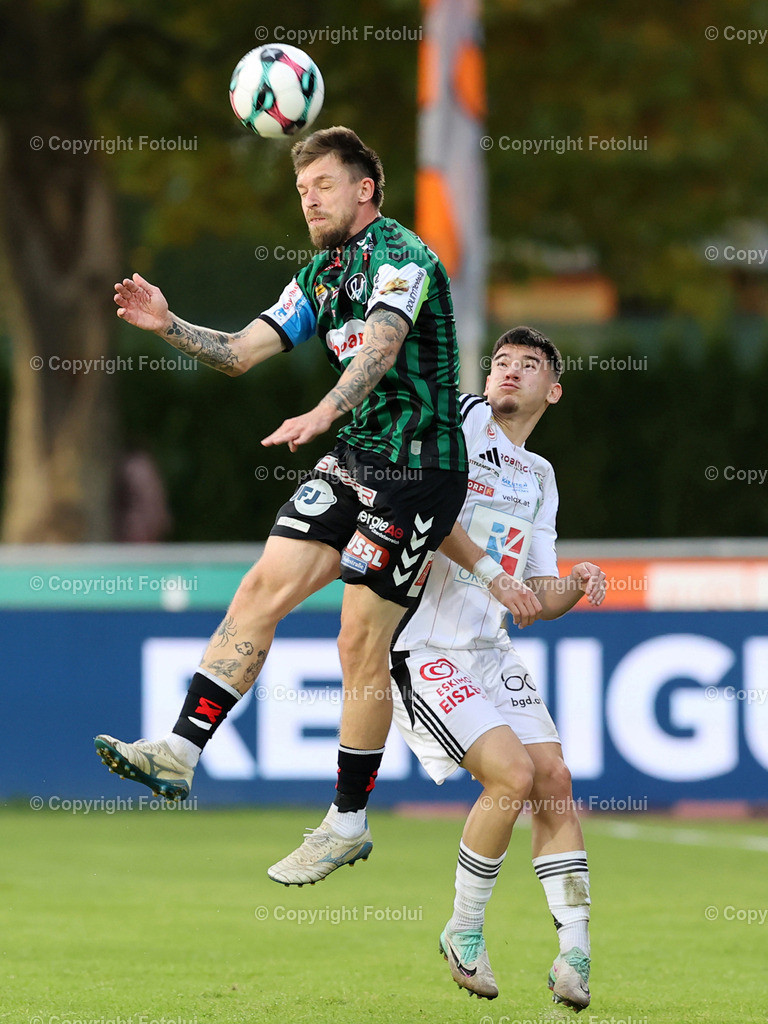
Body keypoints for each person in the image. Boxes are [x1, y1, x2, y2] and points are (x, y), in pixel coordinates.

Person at [95, 127, 543, 883]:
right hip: (356, 459)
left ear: (365, 189)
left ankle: (345, 822)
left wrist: (322, 413)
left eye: (324, 186)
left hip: (418, 472)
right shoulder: (319, 274)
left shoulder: (401, 256)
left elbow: (382, 348)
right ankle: (178, 752)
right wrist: (168, 324)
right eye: (302, 191)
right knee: (260, 590)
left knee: (357, 642)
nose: (309, 200)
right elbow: (240, 352)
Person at [389, 326, 606, 1009]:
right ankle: (464, 929)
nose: (509, 372)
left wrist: (575, 582)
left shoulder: (539, 477)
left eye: (529, 365)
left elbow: (535, 600)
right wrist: (489, 574)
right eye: (502, 362)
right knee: (510, 774)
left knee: (552, 778)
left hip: (490, 652)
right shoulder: (460, 421)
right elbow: (426, 508)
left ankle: (575, 951)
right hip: (421, 646)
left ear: (554, 390)